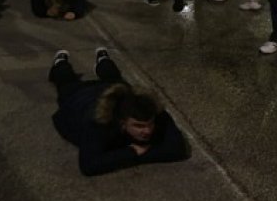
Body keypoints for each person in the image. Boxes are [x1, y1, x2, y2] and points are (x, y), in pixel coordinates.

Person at [48, 48, 189, 176]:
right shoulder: (98, 123)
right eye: (139, 126)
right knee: (65, 80)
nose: (147, 131)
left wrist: (137, 154)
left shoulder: (153, 111)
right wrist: (131, 152)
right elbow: (89, 165)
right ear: (122, 123)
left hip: (113, 89)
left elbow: (178, 149)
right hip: (79, 96)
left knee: (115, 79)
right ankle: (60, 62)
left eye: (149, 124)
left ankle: (103, 59)